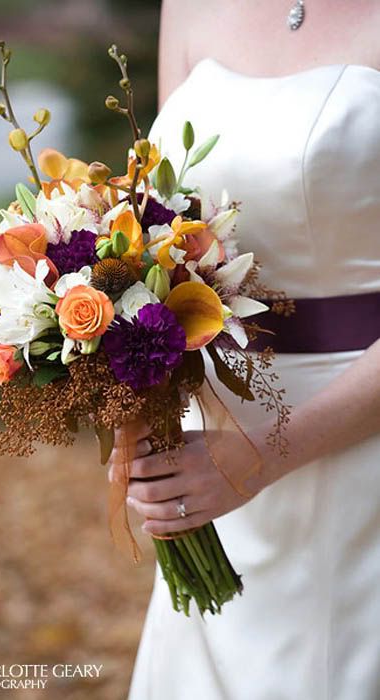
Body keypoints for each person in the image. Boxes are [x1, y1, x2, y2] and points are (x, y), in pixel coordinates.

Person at [114, 1, 380, 698]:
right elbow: (165, 230)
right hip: (208, 448)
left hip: (361, 464)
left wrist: (257, 459)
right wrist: (133, 396)